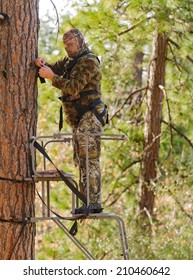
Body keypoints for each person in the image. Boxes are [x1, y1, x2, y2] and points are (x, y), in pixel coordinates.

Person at [35, 29, 108, 214]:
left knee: (89, 159)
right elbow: (52, 68)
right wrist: (41, 64)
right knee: (80, 160)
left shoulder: (89, 61)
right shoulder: (69, 61)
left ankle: (94, 203)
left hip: (91, 115)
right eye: (65, 45)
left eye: (71, 44)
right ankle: (86, 203)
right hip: (79, 118)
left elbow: (73, 87)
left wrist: (51, 76)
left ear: (80, 42)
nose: (68, 48)